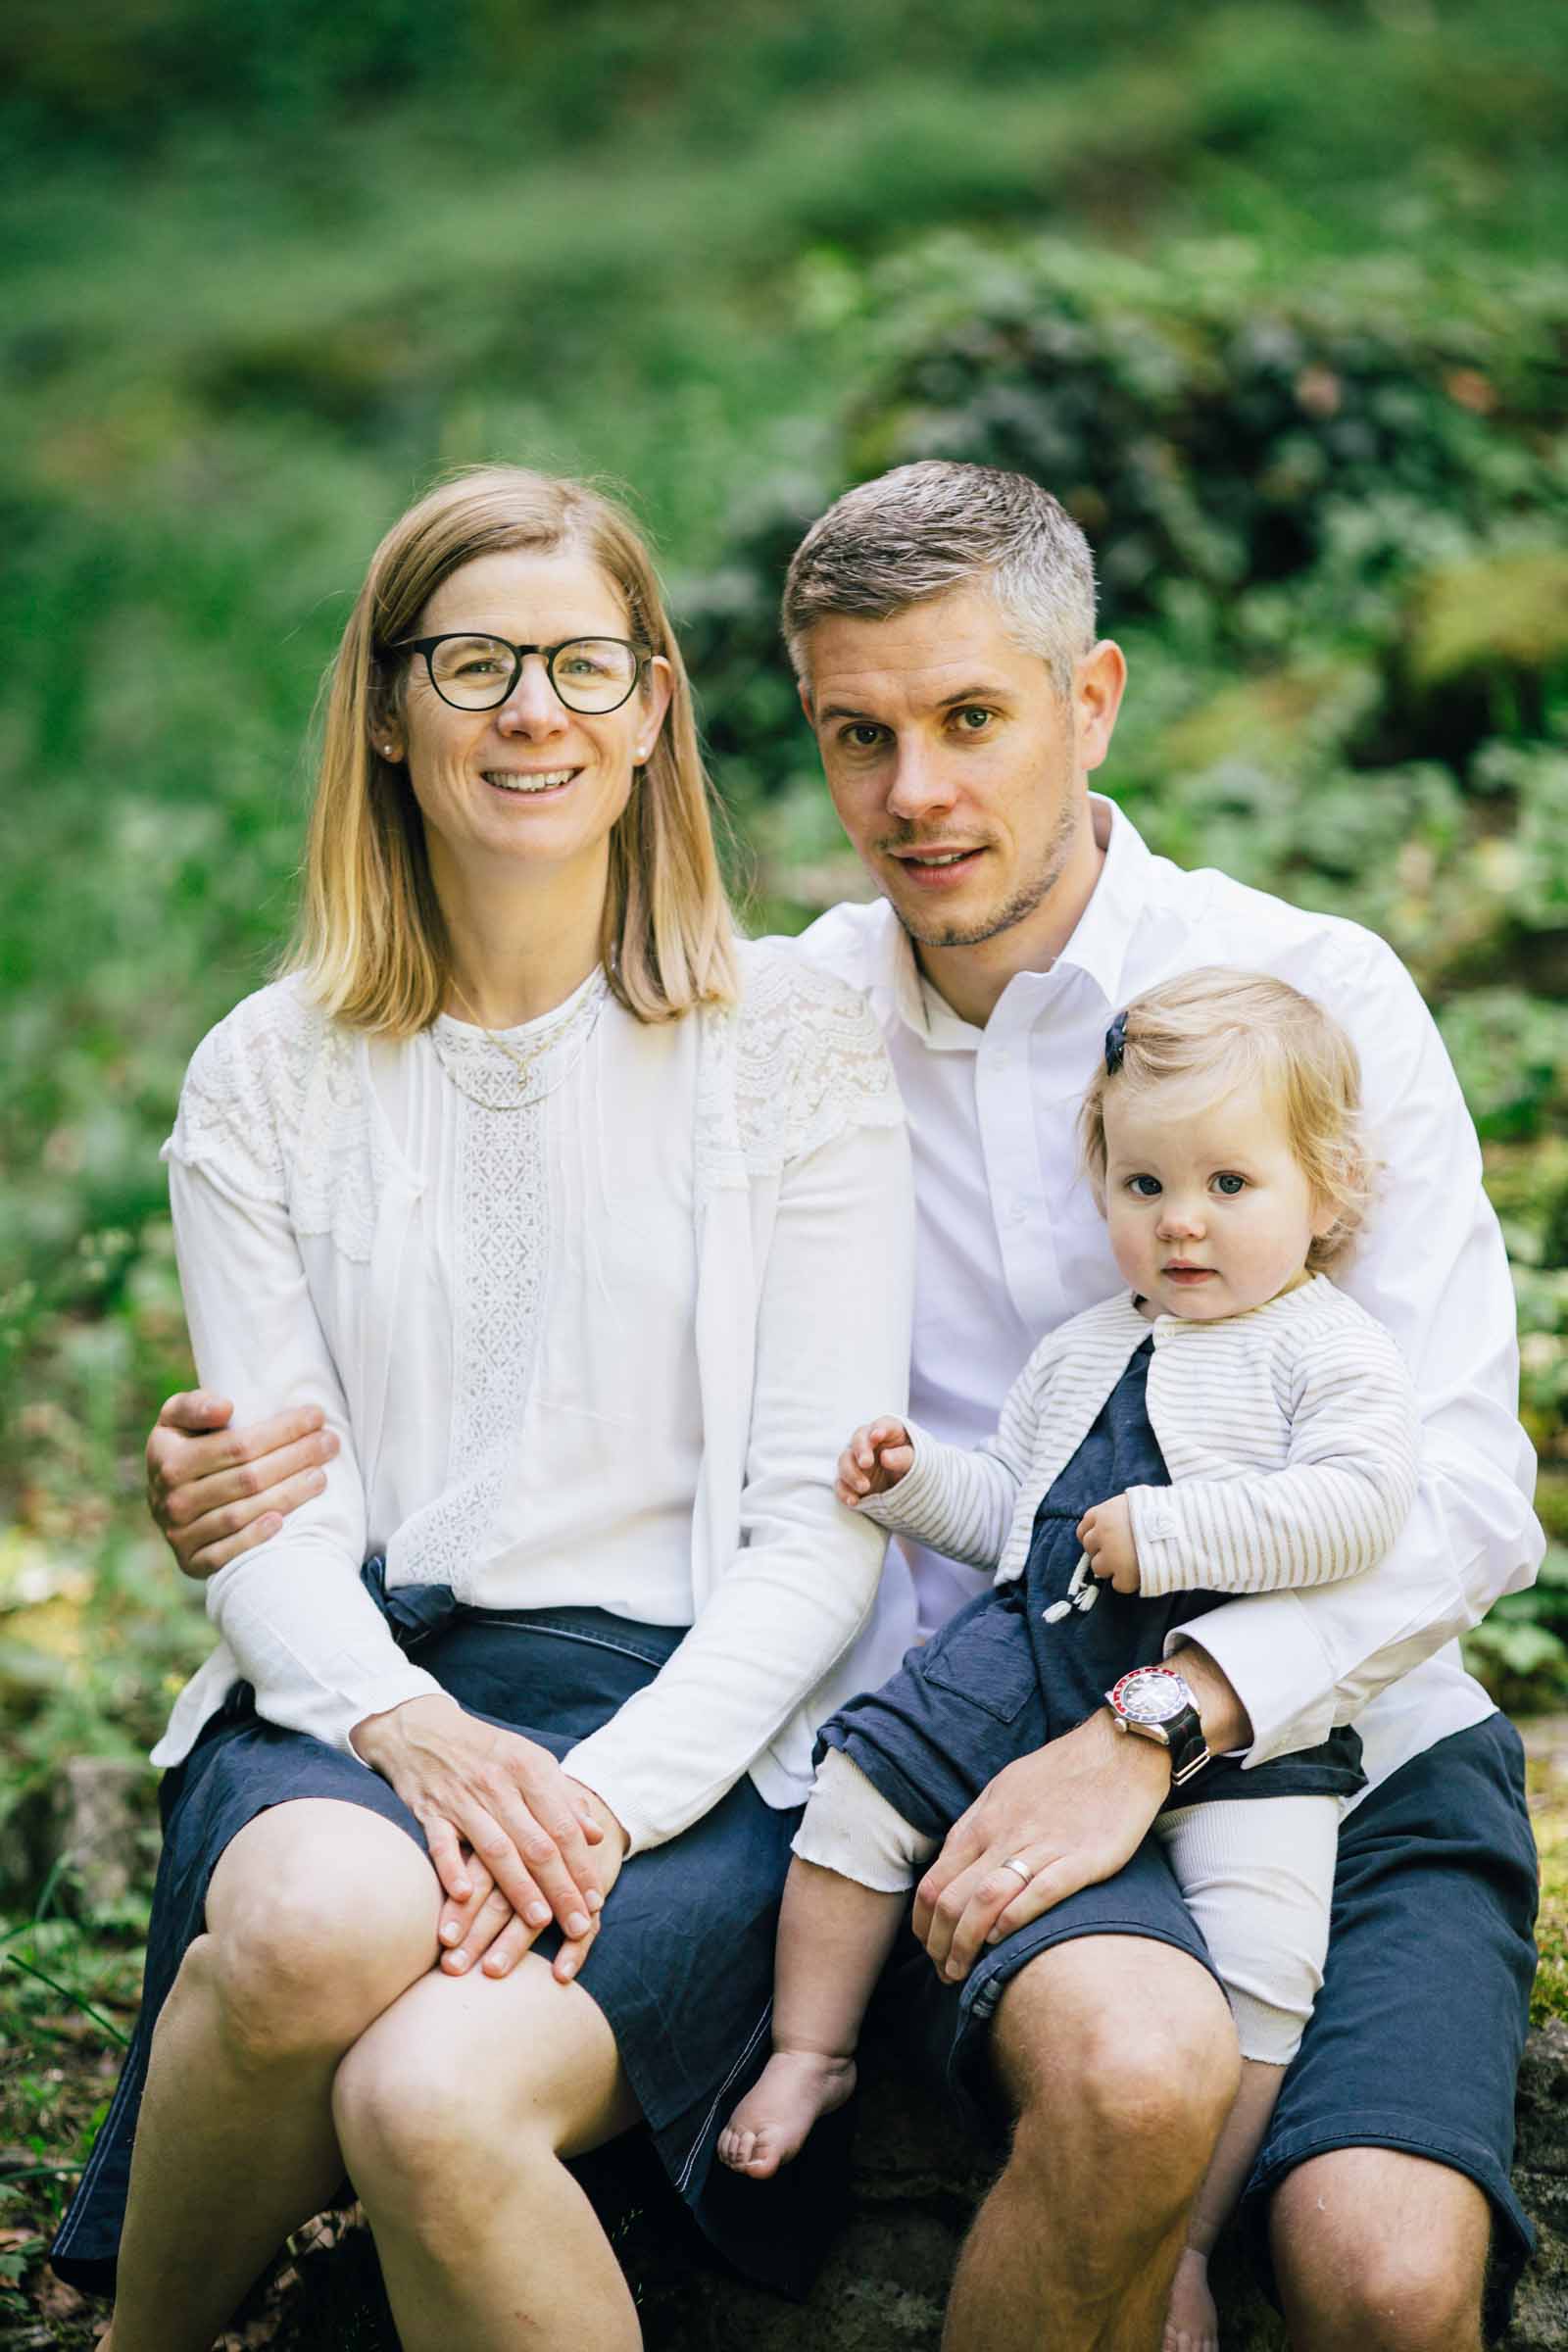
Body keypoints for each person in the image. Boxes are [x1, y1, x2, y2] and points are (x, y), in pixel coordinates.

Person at [140, 459, 1543, 2352]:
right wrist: (240, 1477)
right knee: (1132, 2083)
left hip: (1338, 1731)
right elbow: (529, 1281)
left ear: (1094, 699)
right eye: (858, 736)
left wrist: (1166, 1715)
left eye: (973, 719)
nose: (918, 796)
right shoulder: (789, 1019)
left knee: (1388, 2279)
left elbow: (1458, 1493)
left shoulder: (1307, 992)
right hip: (991, 1742)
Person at [49, 465, 919, 2352]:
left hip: (695, 1742)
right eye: (472, 664)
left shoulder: (787, 1050)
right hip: (366, 1693)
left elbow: (815, 1531)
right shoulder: (267, 1075)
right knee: (305, 1931)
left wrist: (591, 1807)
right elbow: (268, 1509)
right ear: (384, 707)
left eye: (585, 666)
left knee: (430, 2092)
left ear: (652, 710)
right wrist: (413, 1728)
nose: (535, 712)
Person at [720, 968, 1421, 2352]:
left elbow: (1362, 1510)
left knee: (1269, 1968)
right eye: (1144, 1185)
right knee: (863, 1784)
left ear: (1327, 1194)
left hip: (1238, 1721)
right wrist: (915, 1482)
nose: (1184, 1222)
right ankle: (813, 2048)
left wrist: (1173, 1530)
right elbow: (1016, 1520)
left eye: (1231, 1181)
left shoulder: (1328, 1354)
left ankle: (1190, 2239)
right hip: (1033, 1662)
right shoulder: (1082, 1350)